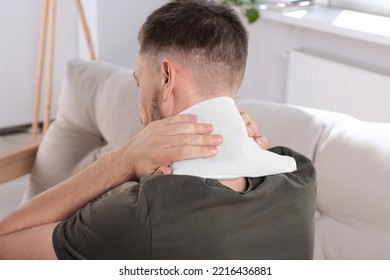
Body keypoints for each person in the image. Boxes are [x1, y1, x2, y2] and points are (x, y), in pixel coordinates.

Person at [0, 0, 315, 260]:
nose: (139, 101)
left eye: (139, 81)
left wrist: (120, 161)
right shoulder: (298, 176)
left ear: (167, 78)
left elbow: (5, 243)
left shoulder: (143, 213)